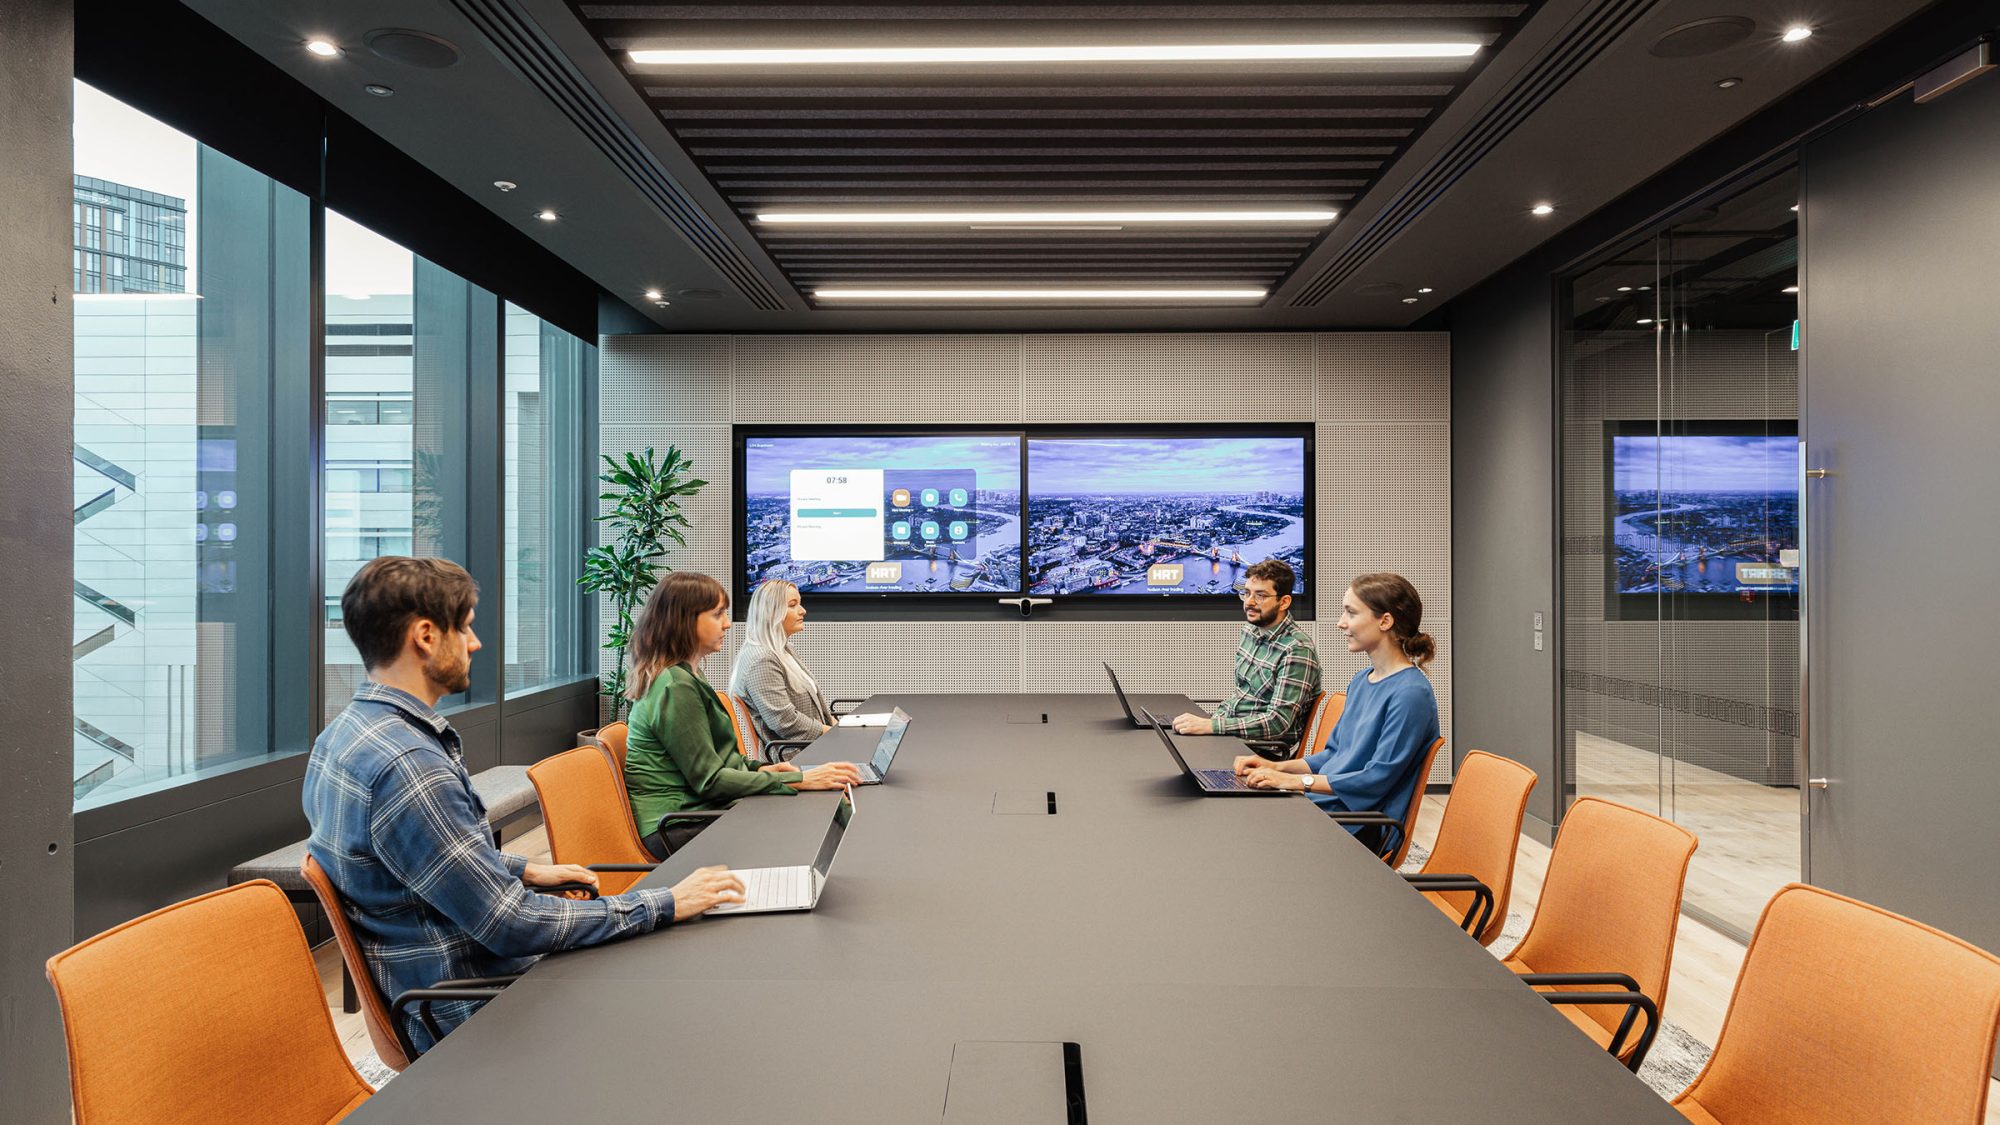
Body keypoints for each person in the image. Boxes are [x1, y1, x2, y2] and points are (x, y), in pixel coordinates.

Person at [303, 556, 745, 1054]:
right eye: (466, 628)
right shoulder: (410, 766)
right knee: (700, 1004)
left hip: (442, 990)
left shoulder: (345, 736)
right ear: (426, 635)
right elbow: (511, 924)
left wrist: (526, 870)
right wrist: (665, 903)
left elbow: (418, 856)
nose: (475, 643)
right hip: (481, 1008)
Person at [624, 572, 861, 854]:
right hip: (681, 823)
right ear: (685, 620)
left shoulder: (686, 676)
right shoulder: (675, 686)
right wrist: (798, 779)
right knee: (821, 814)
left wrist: (763, 769)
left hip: (699, 810)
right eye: (717, 615)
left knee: (826, 804)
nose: (727, 624)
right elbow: (710, 781)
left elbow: (720, 763)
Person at [1233, 572, 1441, 849]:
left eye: (1351, 613)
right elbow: (1333, 755)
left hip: (1360, 825)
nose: (1341, 623)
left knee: (1244, 833)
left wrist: (1295, 782)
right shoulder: (1362, 679)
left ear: (1385, 621)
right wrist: (1276, 767)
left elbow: (1374, 780)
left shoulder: (1411, 694)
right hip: (1327, 808)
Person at [1171, 558, 1321, 747]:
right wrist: (1210, 722)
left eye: (1260, 596)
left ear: (1284, 602)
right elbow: (1240, 695)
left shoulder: (1296, 650)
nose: (1249, 602)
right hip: (1230, 735)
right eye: (1246, 593)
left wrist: (1212, 726)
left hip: (1260, 750)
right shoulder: (1250, 630)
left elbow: (1277, 723)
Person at [729, 579, 836, 749]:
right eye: (793, 605)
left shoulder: (782, 650)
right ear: (771, 612)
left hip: (815, 748)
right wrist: (834, 733)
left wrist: (838, 729)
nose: (803, 611)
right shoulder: (762, 660)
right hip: (797, 758)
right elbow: (785, 721)